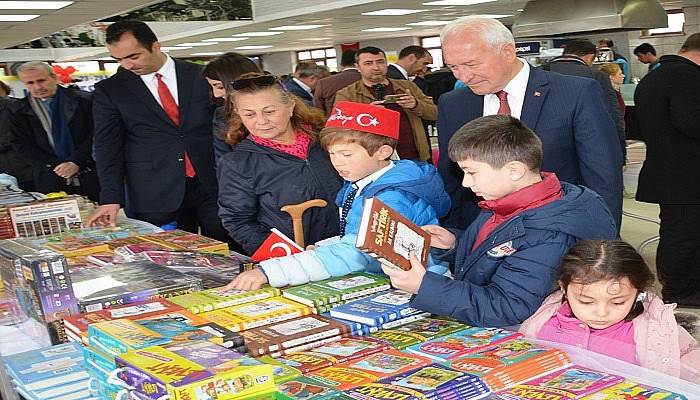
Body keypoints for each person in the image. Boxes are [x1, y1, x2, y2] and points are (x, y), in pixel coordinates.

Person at [382, 115, 616, 327]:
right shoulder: (510, 199)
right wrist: (455, 244)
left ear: (514, 170)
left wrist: (424, 286)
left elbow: (508, 306)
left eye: (471, 172)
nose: (465, 183)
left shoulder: (550, 234)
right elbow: (500, 253)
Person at [223, 101, 450, 290]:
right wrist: (324, 247)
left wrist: (270, 272)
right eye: (332, 154)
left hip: (416, 283)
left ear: (383, 152)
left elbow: (356, 251)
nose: (337, 162)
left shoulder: (390, 197)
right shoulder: (366, 181)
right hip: (394, 276)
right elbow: (357, 235)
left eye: (347, 154)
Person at [437, 17, 623, 232]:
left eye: (472, 64)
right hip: (481, 232)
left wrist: (602, 242)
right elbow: (451, 176)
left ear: (508, 52)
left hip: (559, 229)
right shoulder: (453, 103)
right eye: (453, 67)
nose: (464, 76)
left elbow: (603, 176)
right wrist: (454, 234)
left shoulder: (575, 93)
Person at [87, 20, 228, 243]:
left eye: (133, 57)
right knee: (172, 259)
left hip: (213, 183)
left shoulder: (199, 75)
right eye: (119, 59)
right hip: (154, 191)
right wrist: (110, 197)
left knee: (229, 249)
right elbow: (108, 146)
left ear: (156, 46)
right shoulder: (111, 90)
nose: (127, 66)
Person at [520, 240, 700, 382]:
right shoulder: (543, 322)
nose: (601, 313)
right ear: (564, 289)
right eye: (586, 301)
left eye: (618, 302)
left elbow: (692, 368)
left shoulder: (659, 331)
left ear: (638, 292)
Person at [217, 73, 342, 255]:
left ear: (290, 107)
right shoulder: (237, 163)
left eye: (269, 111)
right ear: (239, 115)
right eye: (249, 114)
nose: (261, 121)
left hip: (351, 247)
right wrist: (285, 255)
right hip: (298, 258)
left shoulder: (327, 140)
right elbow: (238, 221)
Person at [634, 33, 700, 307]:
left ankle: (680, 286)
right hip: (687, 173)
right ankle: (680, 291)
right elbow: (691, 122)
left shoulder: (654, 76)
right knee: (684, 235)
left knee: (679, 232)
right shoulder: (688, 77)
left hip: (666, 169)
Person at [9, 61, 99, 200]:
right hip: (50, 177)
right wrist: (55, 166)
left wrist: (76, 161)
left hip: (91, 173)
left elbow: (97, 134)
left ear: (54, 77)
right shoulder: (18, 110)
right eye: (30, 83)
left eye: (41, 80)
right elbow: (20, 144)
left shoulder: (84, 100)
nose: (37, 87)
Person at [335, 47, 436, 162]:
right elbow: (338, 129)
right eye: (368, 63)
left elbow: (434, 113)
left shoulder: (408, 86)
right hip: (373, 160)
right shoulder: (347, 95)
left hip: (414, 156)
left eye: (380, 62)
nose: (376, 67)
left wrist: (416, 105)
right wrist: (364, 115)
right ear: (358, 67)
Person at [545, 39, 625, 159]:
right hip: (587, 145)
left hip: (546, 148)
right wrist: (620, 151)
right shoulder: (596, 76)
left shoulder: (540, 72)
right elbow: (612, 114)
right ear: (589, 57)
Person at [202, 52, 261, 162]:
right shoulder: (222, 115)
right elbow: (223, 161)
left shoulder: (284, 108)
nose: (216, 94)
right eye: (212, 87)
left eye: (219, 87)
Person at [313, 49, 361, 116]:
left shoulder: (324, 82)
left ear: (341, 64)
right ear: (359, 63)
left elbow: (318, 109)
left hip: (333, 123)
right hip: (366, 122)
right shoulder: (367, 79)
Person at [599, 63, 626, 129]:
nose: (623, 76)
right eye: (620, 74)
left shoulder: (613, 91)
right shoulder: (611, 94)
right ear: (611, 77)